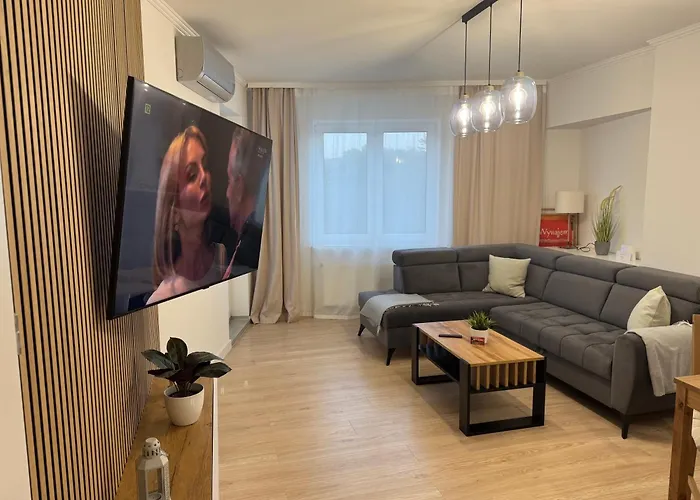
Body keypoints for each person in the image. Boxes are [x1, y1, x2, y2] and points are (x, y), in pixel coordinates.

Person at [147, 125, 226, 304]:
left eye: (205, 165)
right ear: (174, 210)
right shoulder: (162, 298)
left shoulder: (222, 256)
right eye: (192, 175)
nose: (204, 177)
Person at [222, 129, 265, 279]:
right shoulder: (257, 234)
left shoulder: (246, 252)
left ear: (239, 187)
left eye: (229, 180)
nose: (227, 193)